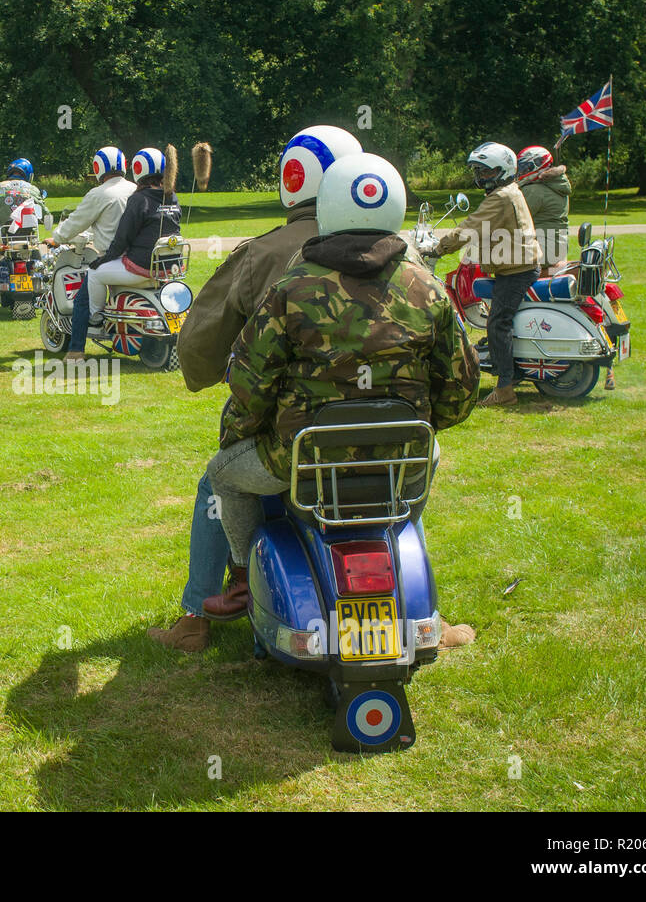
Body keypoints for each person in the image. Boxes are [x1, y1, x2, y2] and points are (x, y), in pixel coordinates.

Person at [205, 153, 479, 621]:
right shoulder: (428, 288)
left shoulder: (291, 288)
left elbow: (250, 386)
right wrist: (422, 423)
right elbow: (461, 388)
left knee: (222, 475)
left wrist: (238, 433)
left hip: (302, 462)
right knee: (429, 456)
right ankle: (412, 581)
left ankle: (239, 582)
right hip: (399, 459)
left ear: (326, 207)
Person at [148, 125, 361, 651]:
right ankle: (429, 614)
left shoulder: (264, 253)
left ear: (293, 178)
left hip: (289, 440)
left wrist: (203, 373)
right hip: (387, 437)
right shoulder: (402, 257)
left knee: (213, 487)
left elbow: (199, 343)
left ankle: (198, 616)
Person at [426, 142, 541, 408]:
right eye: (479, 171)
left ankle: (505, 390)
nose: (481, 177)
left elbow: (471, 227)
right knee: (499, 320)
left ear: (504, 170)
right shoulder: (508, 191)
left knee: (498, 323)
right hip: (515, 265)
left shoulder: (501, 197)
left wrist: (438, 248)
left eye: (487, 172)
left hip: (516, 270)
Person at [65, 147, 180, 361]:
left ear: (138, 168)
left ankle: (96, 316)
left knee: (95, 273)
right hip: (168, 266)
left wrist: (104, 259)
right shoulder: (170, 197)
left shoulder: (139, 199)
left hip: (141, 266)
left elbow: (123, 236)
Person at [46, 146, 137, 354]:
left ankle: (76, 351)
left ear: (98, 167)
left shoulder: (98, 194)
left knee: (81, 301)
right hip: (137, 257)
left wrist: (57, 238)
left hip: (111, 260)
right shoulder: (135, 189)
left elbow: (76, 222)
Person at [0, 158, 43, 314]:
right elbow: (43, 213)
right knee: (40, 265)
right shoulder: (32, 189)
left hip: (4, 239)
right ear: (28, 174)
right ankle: (44, 298)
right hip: (28, 239)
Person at [516, 145, 571, 270]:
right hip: (556, 248)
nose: (521, 172)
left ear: (537, 165)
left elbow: (514, 217)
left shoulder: (534, 190)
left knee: (497, 258)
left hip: (543, 249)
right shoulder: (556, 185)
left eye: (525, 168)